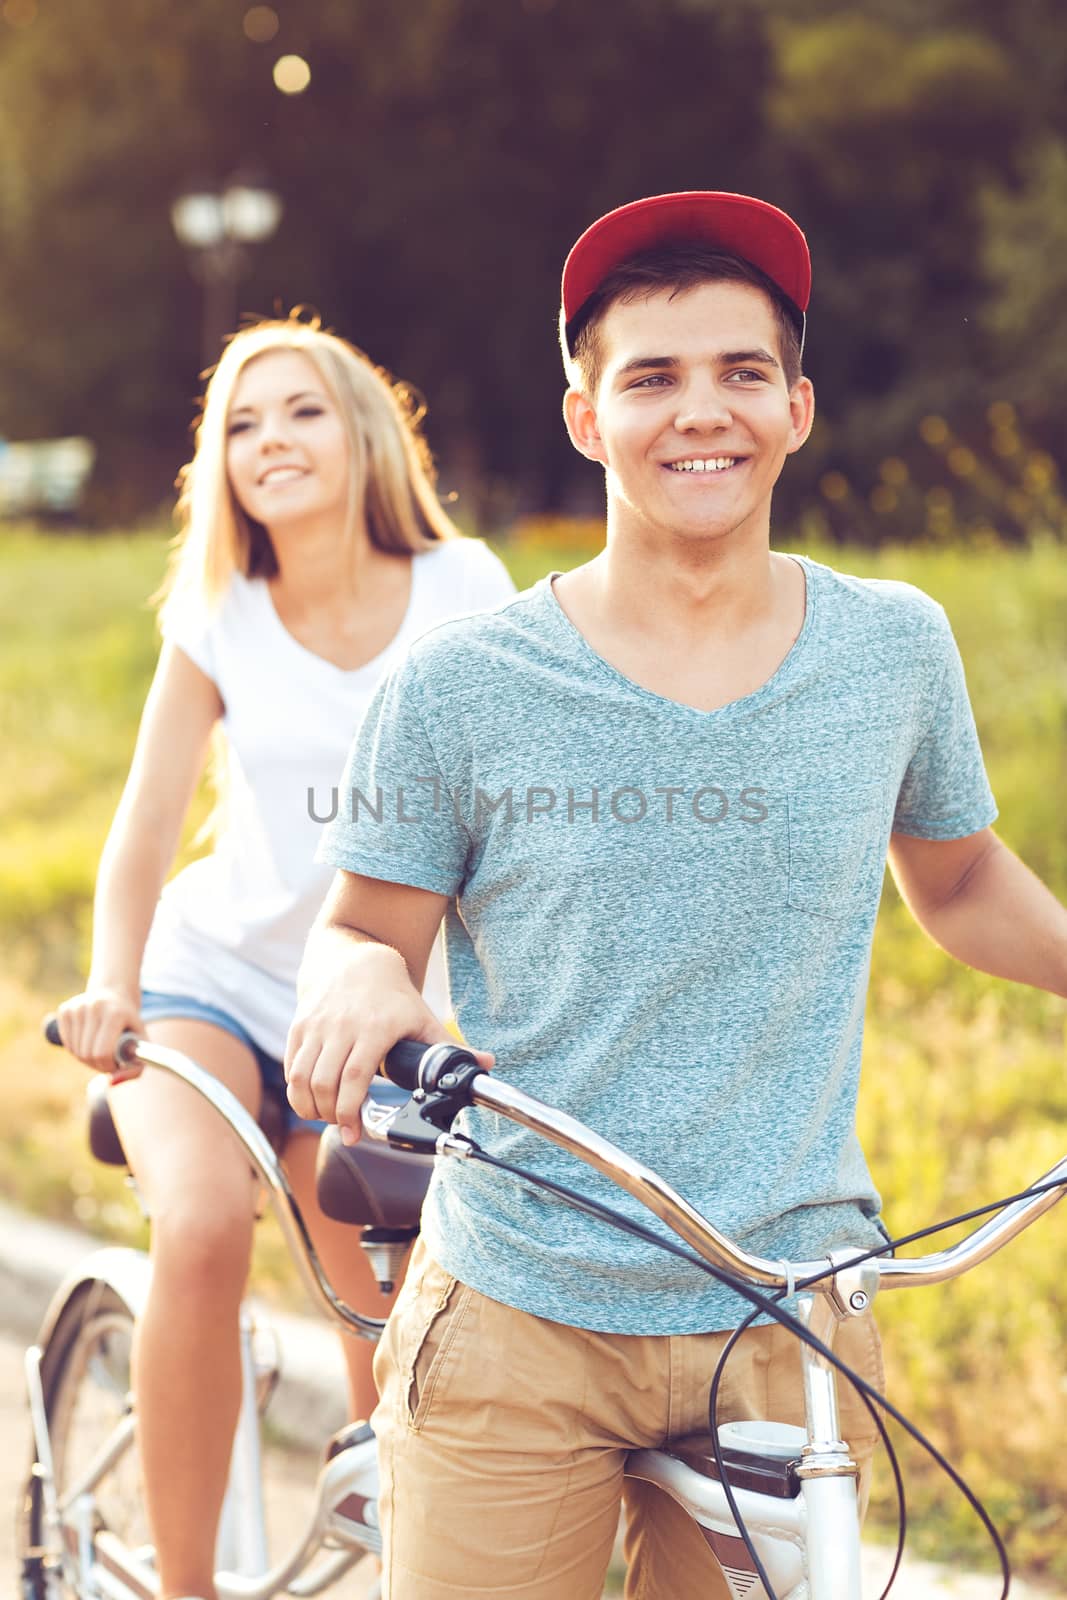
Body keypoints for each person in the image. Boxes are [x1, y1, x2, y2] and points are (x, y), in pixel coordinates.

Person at [284, 193, 1067, 1599]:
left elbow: (955, 882)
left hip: (789, 1317)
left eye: (739, 372)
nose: (697, 411)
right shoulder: (462, 687)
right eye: (649, 377)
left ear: (795, 408)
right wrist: (352, 977)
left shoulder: (893, 650)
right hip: (524, 1305)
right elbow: (363, 931)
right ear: (585, 416)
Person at [53, 315, 515, 1600]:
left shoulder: (465, 590)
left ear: (363, 429)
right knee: (200, 1226)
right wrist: (109, 981)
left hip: (365, 1005)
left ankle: (401, 1561)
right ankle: (188, 1586)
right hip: (206, 980)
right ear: (222, 467)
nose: (271, 441)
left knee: (379, 1281)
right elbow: (144, 828)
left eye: (300, 410)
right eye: (240, 424)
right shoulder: (219, 615)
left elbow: (518, 804)